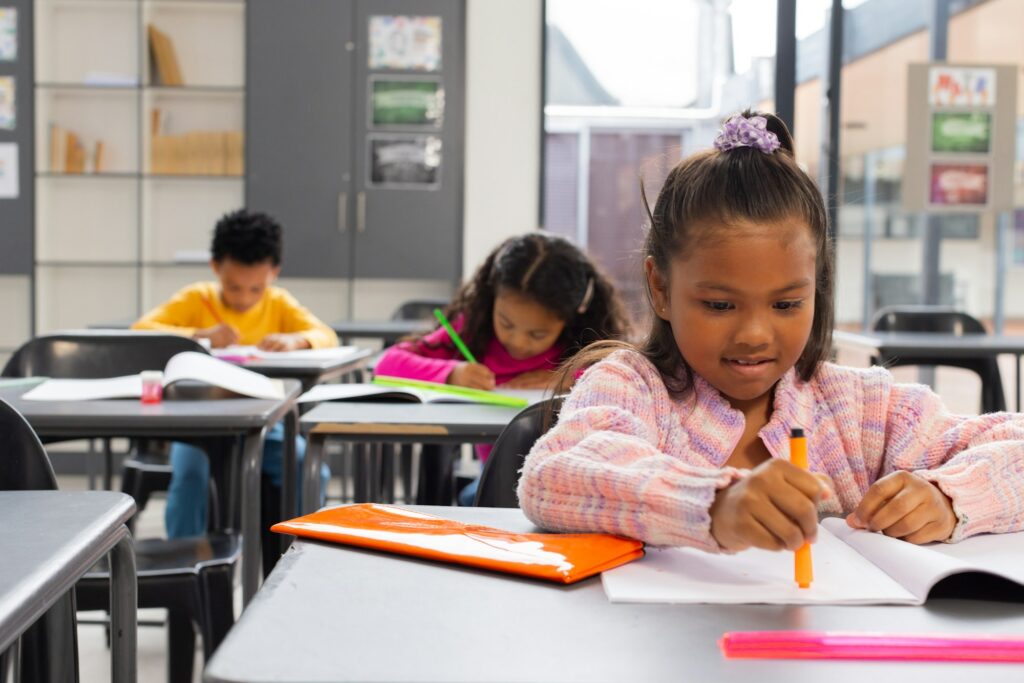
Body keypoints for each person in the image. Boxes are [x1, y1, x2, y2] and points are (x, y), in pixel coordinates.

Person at [518, 111, 1024, 552]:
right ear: (661, 287)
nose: (755, 334)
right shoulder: (632, 388)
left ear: (816, 289)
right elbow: (555, 474)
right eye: (719, 304)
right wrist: (713, 504)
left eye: (786, 303)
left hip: (824, 658)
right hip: (670, 656)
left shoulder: (859, 409)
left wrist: (950, 496)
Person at [375, 232, 631, 505]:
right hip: (495, 482)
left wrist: (573, 376)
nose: (518, 342)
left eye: (537, 334)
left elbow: (626, 384)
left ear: (568, 320)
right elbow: (387, 364)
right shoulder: (476, 330)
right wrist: (452, 373)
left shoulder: (585, 344)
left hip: (571, 484)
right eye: (506, 324)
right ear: (492, 296)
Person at [133, 208, 335, 540]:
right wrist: (200, 334)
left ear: (274, 272)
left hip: (262, 424)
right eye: (233, 286)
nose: (244, 298)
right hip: (197, 424)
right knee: (190, 479)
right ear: (215, 267)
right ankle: (184, 567)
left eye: (255, 289)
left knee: (308, 468)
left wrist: (297, 338)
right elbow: (142, 330)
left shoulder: (279, 304)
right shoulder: (197, 298)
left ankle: (302, 552)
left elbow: (325, 334)